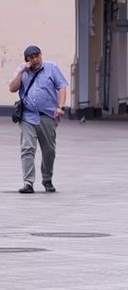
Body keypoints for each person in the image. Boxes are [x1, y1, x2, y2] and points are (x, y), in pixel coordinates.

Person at [7, 45, 69, 194]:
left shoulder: (51, 67)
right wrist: (22, 71)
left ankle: (47, 179)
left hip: (47, 116)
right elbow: (12, 88)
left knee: (49, 151)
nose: (35, 60)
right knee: (27, 148)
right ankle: (28, 183)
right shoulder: (22, 70)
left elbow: (62, 87)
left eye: (37, 56)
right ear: (27, 59)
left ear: (41, 55)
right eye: (32, 57)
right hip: (27, 116)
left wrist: (60, 106)